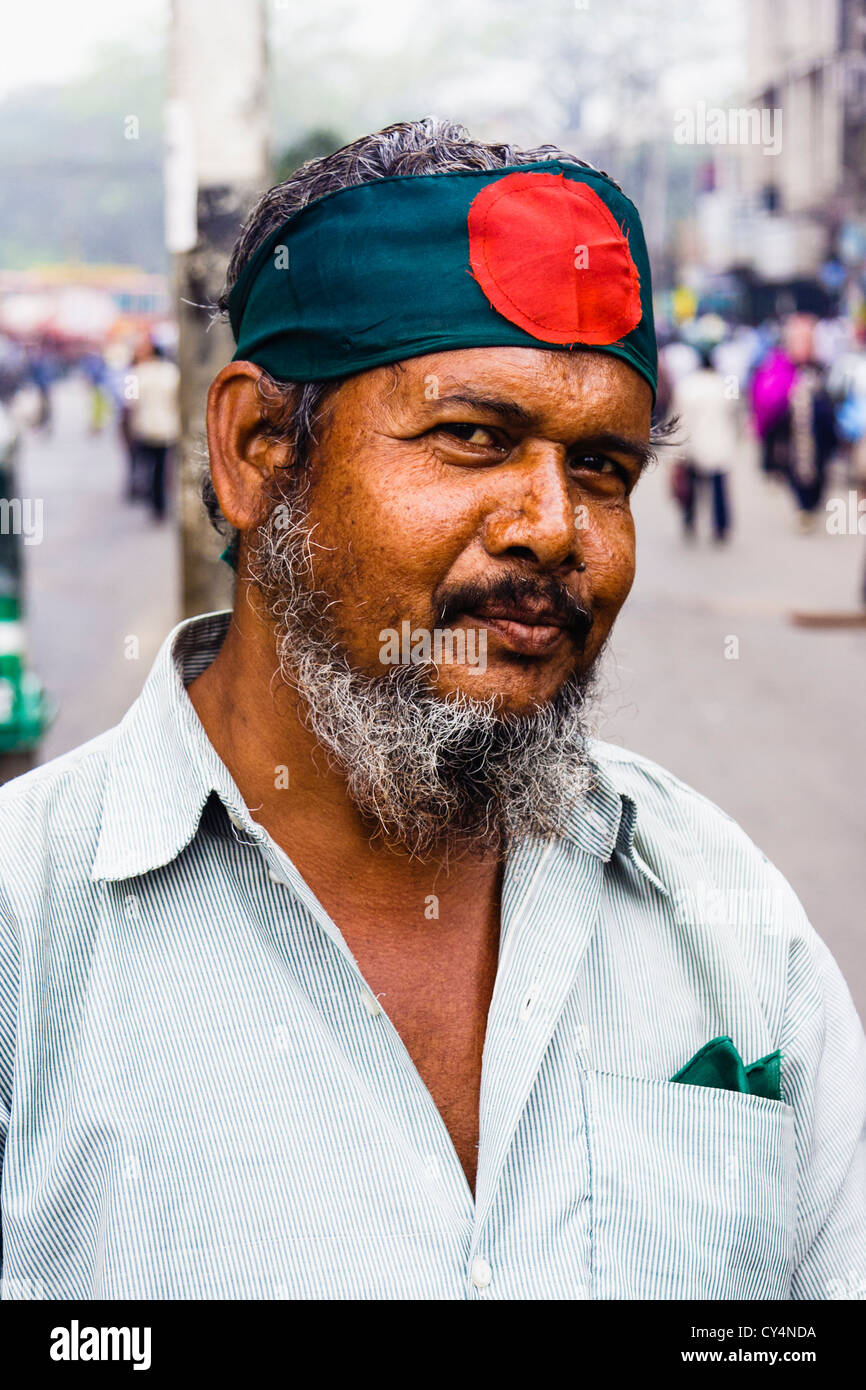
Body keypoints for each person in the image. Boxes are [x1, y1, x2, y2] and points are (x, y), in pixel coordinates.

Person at [0, 119, 863, 1301]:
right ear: (257, 448)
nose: (553, 528)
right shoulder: (26, 937)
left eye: (601, 468)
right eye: (474, 437)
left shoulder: (725, 920)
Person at [671, 346, 740, 541]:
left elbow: (680, 418)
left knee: (691, 489)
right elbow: (734, 412)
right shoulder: (724, 384)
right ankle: (721, 527)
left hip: (693, 444)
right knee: (719, 490)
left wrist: (679, 446)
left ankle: (689, 522)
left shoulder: (687, 385)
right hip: (719, 443)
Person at [127, 337, 180, 519]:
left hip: (145, 426)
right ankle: (159, 502)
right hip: (167, 426)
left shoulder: (135, 373)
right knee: (161, 466)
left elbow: (129, 402)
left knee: (147, 465)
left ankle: (153, 499)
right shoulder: (171, 372)